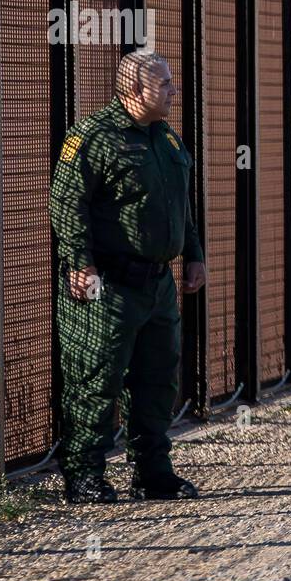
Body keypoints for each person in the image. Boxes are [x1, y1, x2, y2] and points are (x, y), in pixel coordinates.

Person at [49, 49, 206, 504]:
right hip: (109, 284)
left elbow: (180, 205)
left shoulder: (166, 138)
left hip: (158, 284)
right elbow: (66, 201)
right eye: (165, 84)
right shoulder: (93, 137)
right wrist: (80, 261)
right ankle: (83, 475)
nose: (174, 90)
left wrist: (193, 254)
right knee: (95, 378)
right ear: (135, 90)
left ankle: (153, 473)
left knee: (158, 381)